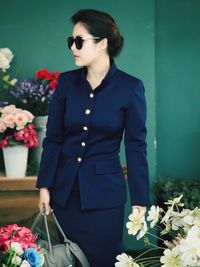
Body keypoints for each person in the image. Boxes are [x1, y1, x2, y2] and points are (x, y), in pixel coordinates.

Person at [36, 9, 150, 267]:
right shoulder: (66, 83)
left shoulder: (130, 87)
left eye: (79, 41)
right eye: (70, 41)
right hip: (64, 196)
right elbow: (53, 139)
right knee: (67, 260)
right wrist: (45, 185)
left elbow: (135, 146)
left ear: (102, 44)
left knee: (105, 260)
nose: (72, 47)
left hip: (105, 199)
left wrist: (140, 200)